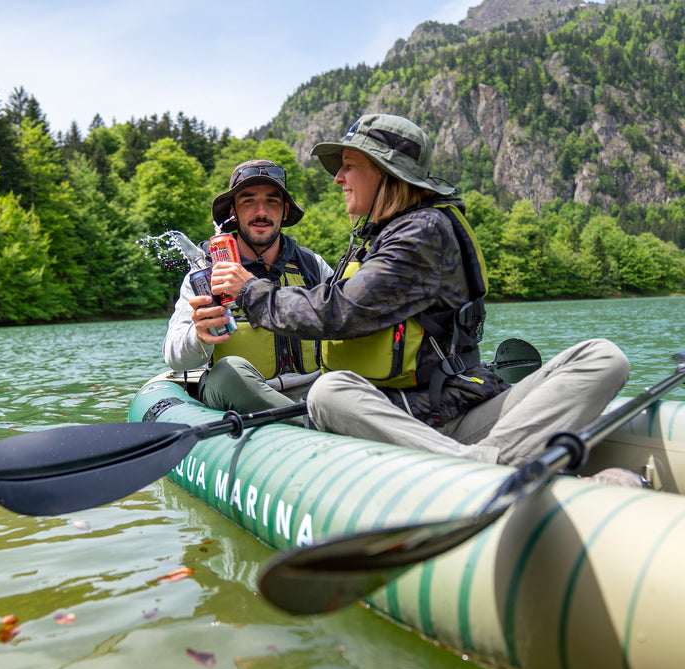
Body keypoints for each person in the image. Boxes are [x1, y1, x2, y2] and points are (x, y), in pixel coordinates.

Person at [210, 114, 634, 478]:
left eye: (350, 166)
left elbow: (339, 312)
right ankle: (493, 463)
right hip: (407, 417)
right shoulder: (380, 235)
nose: (337, 177)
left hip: (443, 411)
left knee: (602, 356)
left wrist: (248, 290)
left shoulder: (420, 233)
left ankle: (477, 471)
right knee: (328, 391)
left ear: (385, 171)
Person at [163, 159, 333, 422]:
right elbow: (174, 356)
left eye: (272, 201)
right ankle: (311, 430)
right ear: (233, 212)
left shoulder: (313, 266)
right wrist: (199, 336)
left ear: (285, 211)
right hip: (238, 394)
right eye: (248, 201)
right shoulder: (205, 273)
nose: (261, 212)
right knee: (228, 372)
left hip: (312, 393)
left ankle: (308, 424)